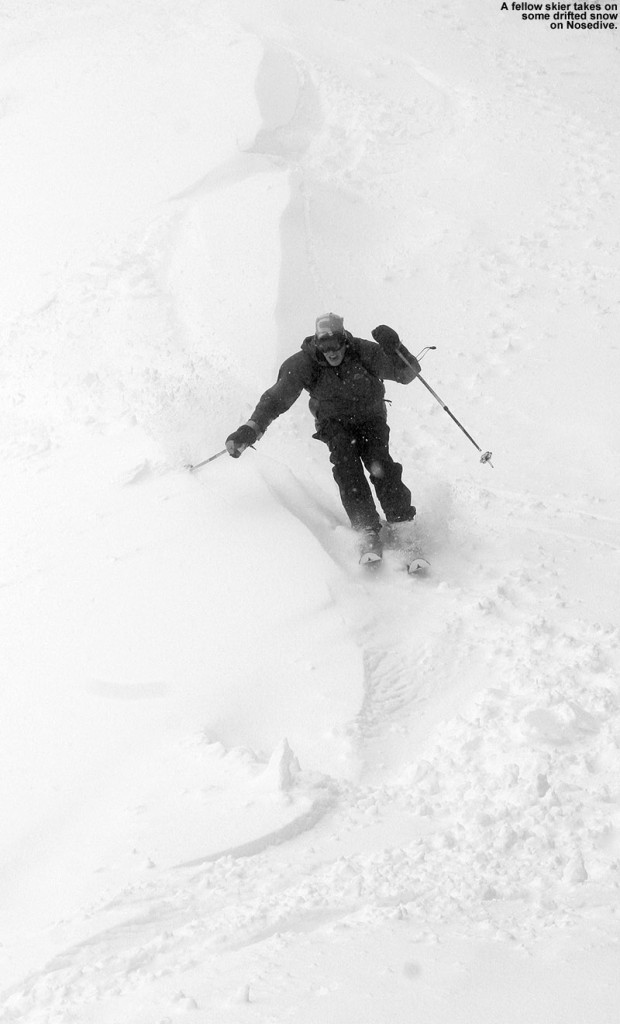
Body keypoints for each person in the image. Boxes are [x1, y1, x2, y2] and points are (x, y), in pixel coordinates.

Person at [225, 313, 421, 563]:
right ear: (317, 343)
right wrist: (251, 429)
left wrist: (396, 348)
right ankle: (367, 528)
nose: (331, 351)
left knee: (380, 464)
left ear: (344, 339)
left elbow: (407, 374)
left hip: (370, 418)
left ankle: (402, 523)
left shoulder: (363, 351)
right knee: (346, 468)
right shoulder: (303, 364)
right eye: (324, 345)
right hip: (334, 423)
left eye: (335, 343)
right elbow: (275, 399)